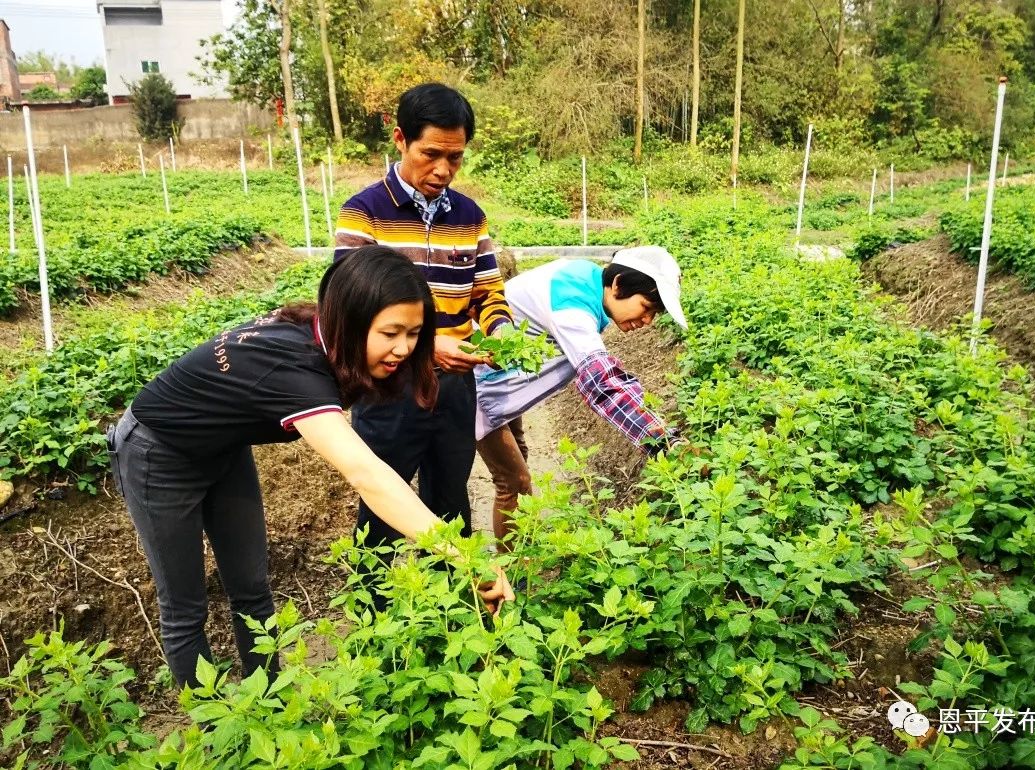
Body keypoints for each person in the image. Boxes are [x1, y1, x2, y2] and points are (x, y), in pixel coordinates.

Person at [106, 247, 514, 689]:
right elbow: (366, 474)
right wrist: (462, 553)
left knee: (251, 590)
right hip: (158, 453)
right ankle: (213, 732)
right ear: (351, 320)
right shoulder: (297, 370)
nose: (404, 348)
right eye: (391, 332)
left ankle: (269, 704)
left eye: (415, 333)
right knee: (185, 608)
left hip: (224, 448)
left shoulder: (326, 335)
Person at [334, 83, 511, 550]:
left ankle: (453, 617)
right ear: (400, 139)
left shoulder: (470, 217)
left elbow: (488, 293)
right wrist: (428, 346)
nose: (443, 169)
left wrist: (503, 335)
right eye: (431, 153)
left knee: (451, 505)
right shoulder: (363, 214)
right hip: (388, 385)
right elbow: (351, 309)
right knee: (381, 512)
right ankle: (372, 617)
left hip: (454, 389)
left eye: (455, 158)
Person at [475, 246, 689, 549]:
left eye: (655, 314)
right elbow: (600, 381)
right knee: (513, 480)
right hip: (476, 386)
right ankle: (512, 570)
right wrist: (663, 440)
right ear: (617, 285)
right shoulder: (572, 299)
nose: (647, 321)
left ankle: (517, 551)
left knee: (518, 456)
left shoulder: (584, 279)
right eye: (646, 307)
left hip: (502, 386)